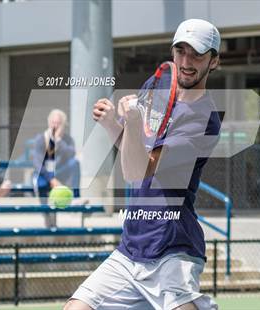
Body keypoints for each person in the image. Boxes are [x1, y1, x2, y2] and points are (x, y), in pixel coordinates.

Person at [65, 19, 221, 310]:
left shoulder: (203, 119)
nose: (186, 61)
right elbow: (133, 154)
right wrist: (114, 125)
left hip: (172, 247)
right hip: (132, 246)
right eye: (180, 51)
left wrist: (134, 121)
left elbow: (139, 169)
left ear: (214, 61)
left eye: (197, 54)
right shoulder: (156, 86)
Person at [32, 109, 81, 227]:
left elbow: (72, 154)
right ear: (49, 123)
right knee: (40, 183)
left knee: (75, 163)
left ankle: (75, 198)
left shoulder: (67, 140)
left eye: (58, 123)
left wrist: (58, 141)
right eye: (53, 122)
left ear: (64, 125)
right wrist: (51, 179)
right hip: (45, 173)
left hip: (60, 172)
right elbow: (38, 164)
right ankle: (47, 215)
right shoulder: (41, 139)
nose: (55, 125)